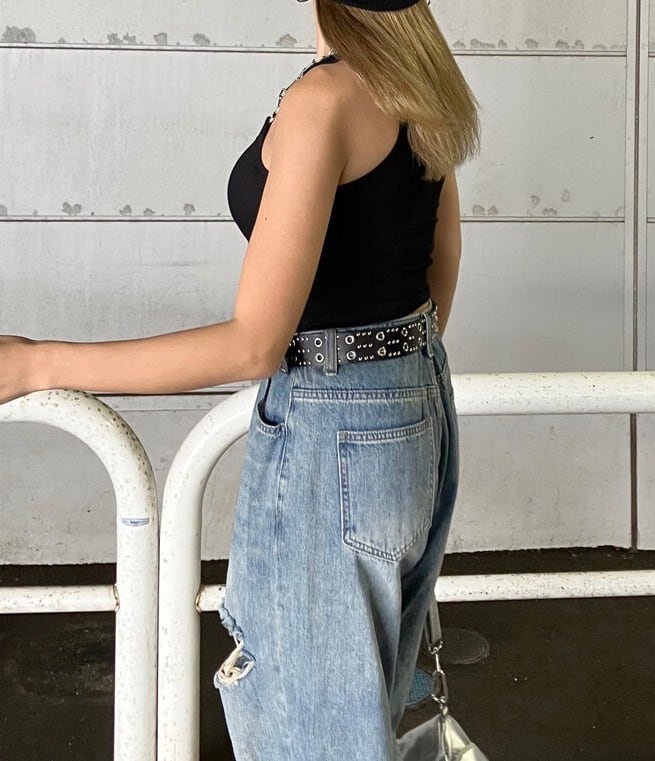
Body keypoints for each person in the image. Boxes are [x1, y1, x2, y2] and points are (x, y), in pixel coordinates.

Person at [0, 0, 479, 757]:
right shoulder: (416, 78)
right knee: (354, 716)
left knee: (306, 728)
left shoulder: (325, 99)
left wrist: (36, 362)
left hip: (336, 425)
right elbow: (439, 264)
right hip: (414, 404)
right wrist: (388, 383)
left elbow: (253, 345)